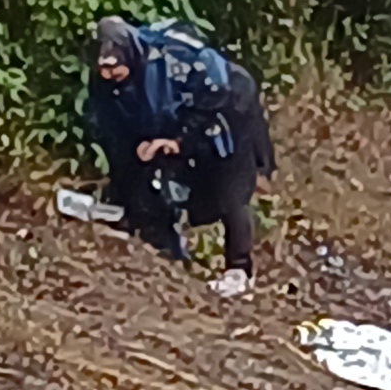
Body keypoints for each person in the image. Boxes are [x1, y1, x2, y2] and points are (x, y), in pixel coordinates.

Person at [82, 16, 275, 294]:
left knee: (230, 187)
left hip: (228, 107)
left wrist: (179, 140)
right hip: (180, 119)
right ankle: (167, 250)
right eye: (103, 69)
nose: (108, 75)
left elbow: (213, 94)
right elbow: (116, 128)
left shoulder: (173, 60)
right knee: (150, 173)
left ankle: (239, 269)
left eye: (114, 67)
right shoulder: (113, 83)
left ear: (130, 54)